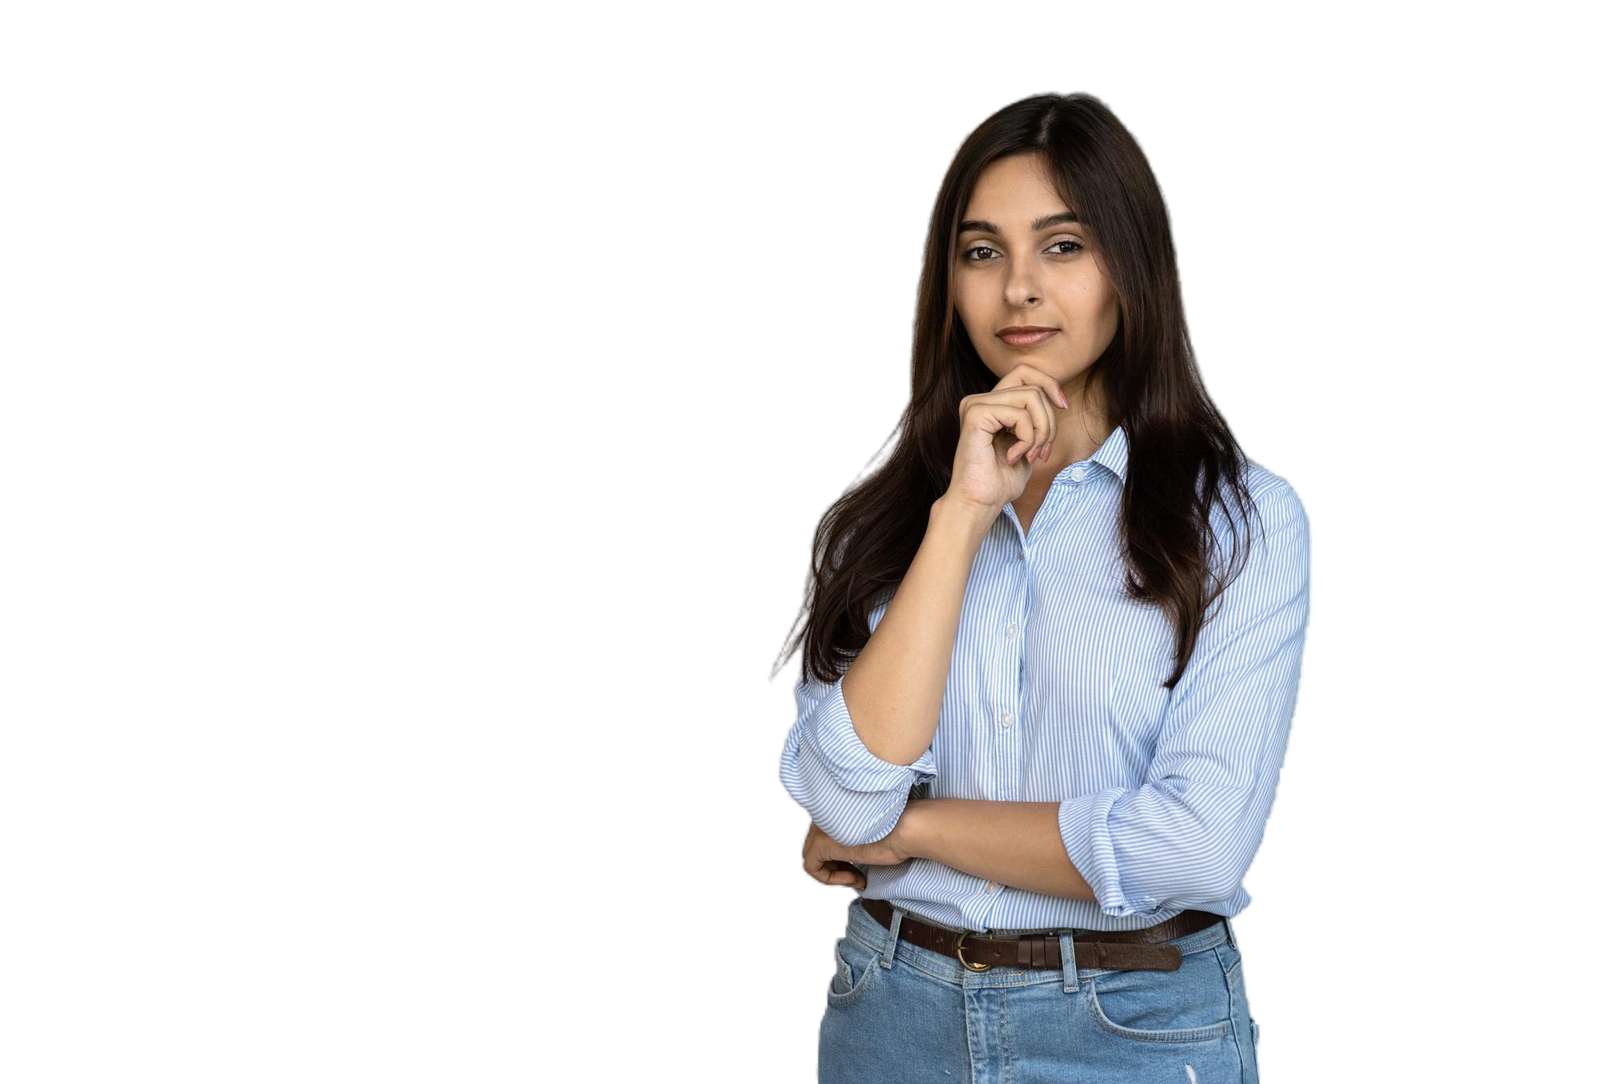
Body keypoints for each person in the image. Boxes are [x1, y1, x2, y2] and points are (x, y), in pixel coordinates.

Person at [770, 91, 1310, 1083]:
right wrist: (962, 514)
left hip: (1133, 1023)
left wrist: (906, 827)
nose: (1018, 288)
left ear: (1130, 268)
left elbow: (1196, 849)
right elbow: (840, 781)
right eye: (982, 252)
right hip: (885, 1008)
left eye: (1062, 246)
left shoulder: (1244, 519)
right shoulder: (876, 517)